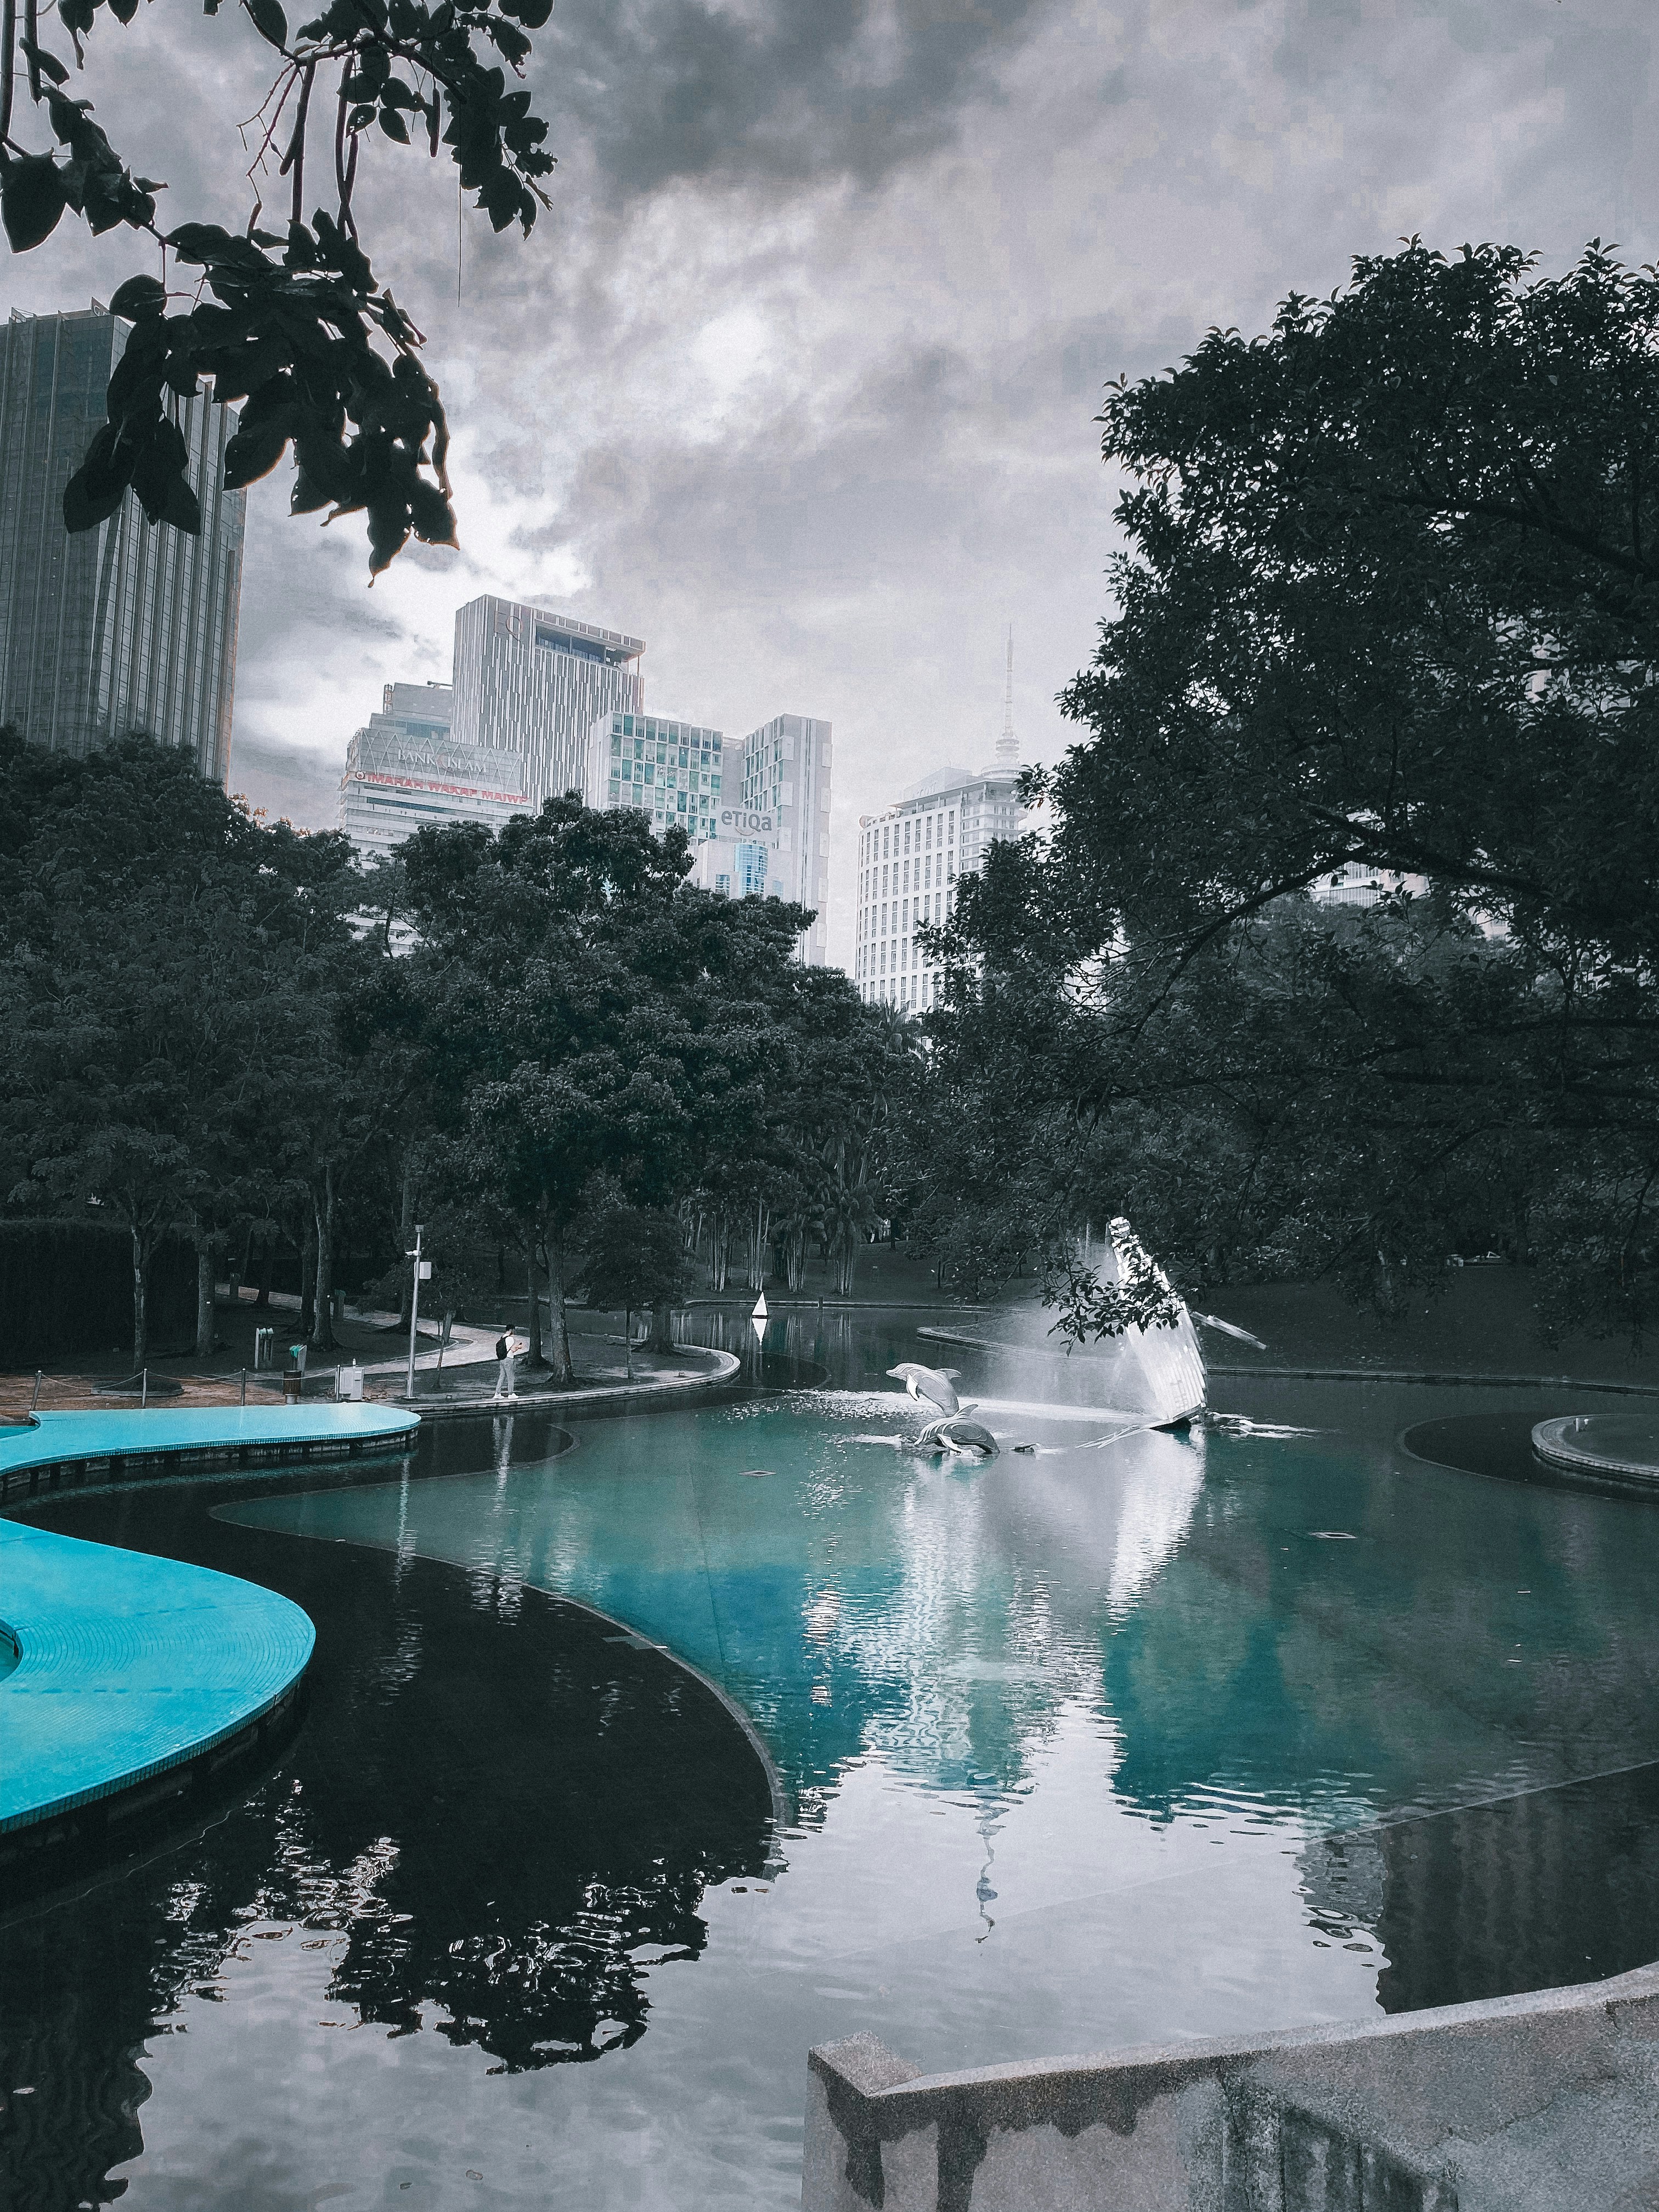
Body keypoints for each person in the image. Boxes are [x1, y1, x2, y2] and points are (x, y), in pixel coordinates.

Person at [493, 1331, 520, 1402]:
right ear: (511, 1330)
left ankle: (497, 1393)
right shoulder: (510, 1339)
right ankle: (510, 1394)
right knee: (511, 1377)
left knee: (502, 1376)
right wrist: (519, 1347)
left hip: (502, 1359)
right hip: (509, 1359)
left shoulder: (502, 1338)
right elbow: (512, 1350)